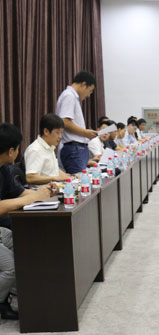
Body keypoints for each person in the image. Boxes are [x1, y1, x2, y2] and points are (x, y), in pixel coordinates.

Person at [0, 123, 56, 320]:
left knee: (23, 245)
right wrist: (29, 199)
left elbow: (20, 193)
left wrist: (43, 192)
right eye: (17, 149)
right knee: (12, 267)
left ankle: (11, 297)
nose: (18, 153)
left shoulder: (4, 169)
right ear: (11, 151)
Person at [57, 71, 98, 173]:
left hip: (77, 148)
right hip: (73, 148)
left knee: (81, 179)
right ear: (83, 84)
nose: (88, 95)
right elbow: (65, 121)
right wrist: (85, 133)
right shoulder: (69, 96)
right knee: (78, 180)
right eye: (90, 91)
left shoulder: (72, 97)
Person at [24, 114, 73, 185]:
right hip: (41, 190)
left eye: (61, 133)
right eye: (57, 132)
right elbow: (30, 178)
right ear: (46, 131)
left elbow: (53, 170)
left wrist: (68, 177)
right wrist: (54, 178)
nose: (60, 136)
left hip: (54, 187)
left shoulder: (49, 147)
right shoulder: (35, 149)